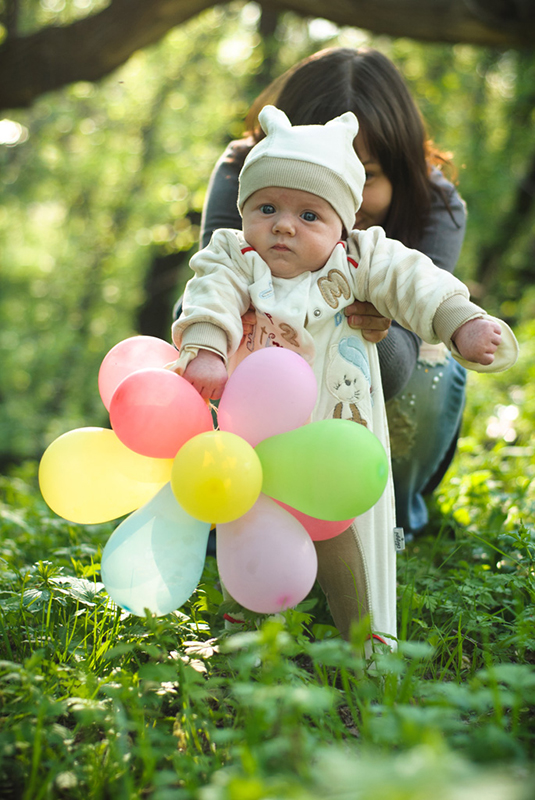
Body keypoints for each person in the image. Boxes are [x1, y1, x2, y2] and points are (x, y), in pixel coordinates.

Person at [171, 105, 518, 647]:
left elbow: (416, 279)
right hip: (256, 437)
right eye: (266, 207)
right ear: (244, 213)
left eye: (310, 215)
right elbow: (207, 291)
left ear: (343, 225)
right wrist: (207, 348)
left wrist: (461, 321)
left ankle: (365, 637)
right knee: (252, 522)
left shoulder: (360, 259)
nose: (284, 224)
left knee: (342, 532)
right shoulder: (234, 255)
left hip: (338, 428)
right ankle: (246, 632)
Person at [195, 47, 468, 538]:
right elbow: (210, 286)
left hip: (369, 384)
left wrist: (370, 327)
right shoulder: (242, 169)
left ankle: (389, 513)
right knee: (205, 331)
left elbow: (399, 364)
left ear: (402, 169)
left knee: (435, 359)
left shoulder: (435, 203)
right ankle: (234, 502)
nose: (348, 197)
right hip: (259, 357)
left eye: (370, 175)